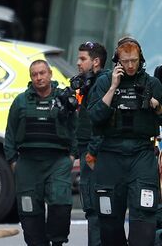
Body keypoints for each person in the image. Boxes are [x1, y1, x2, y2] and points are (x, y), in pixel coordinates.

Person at [88, 37, 162, 245]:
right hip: (110, 155)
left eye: (134, 61)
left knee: (144, 216)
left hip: (141, 154)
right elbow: (93, 116)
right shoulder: (104, 82)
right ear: (117, 61)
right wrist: (113, 87)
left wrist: (156, 105)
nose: (130, 65)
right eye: (126, 61)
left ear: (141, 60)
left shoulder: (152, 83)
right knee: (109, 217)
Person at [4, 60, 77, 246]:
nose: (39, 77)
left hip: (58, 162)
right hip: (28, 163)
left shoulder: (63, 98)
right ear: (31, 77)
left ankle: (58, 242)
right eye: (34, 74)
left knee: (61, 206)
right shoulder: (21, 101)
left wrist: (72, 156)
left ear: (50, 74)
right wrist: (13, 161)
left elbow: (77, 128)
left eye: (42, 73)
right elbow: (10, 134)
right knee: (29, 211)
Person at [73, 41, 107, 246]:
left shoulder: (100, 83)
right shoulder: (88, 83)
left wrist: (91, 153)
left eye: (82, 59)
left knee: (95, 208)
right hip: (88, 150)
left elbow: (99, 124)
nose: (78, 63)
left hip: (95, 153)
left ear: (96, 61)